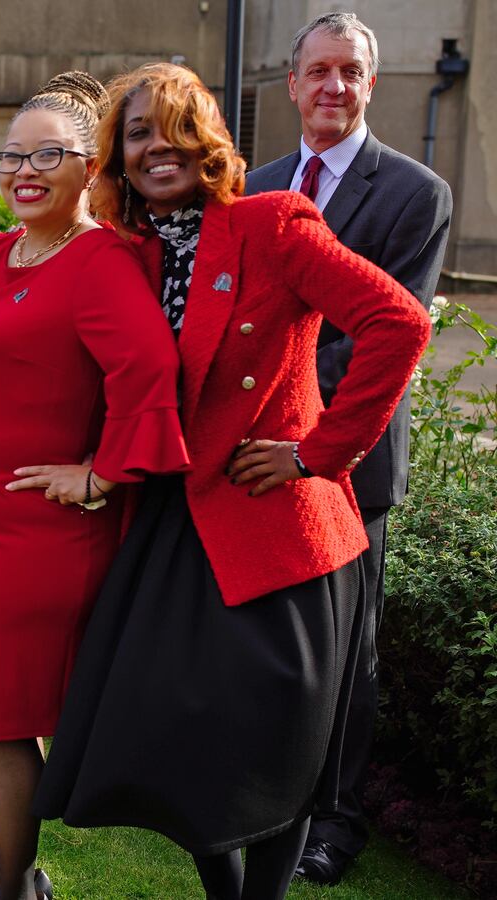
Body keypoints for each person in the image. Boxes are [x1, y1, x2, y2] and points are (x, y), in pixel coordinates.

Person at [32, 63, 431, 900]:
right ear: (119, 157)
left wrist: (319, 451)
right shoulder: (120, 252)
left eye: (176, 127)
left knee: (273, 750)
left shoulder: (272, 224)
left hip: (273, 528)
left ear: (207, 141)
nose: (157, 147)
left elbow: (397, 320)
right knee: (180, 746)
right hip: (171, 527)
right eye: (137, 133)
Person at [0, 72, 190, 898]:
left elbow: (149, 374)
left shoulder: (102, 262)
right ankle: (21, 883)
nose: (24, 170)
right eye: (13, 154)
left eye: (48, 154)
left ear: (91, 168)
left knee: (0, 719)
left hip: (33, 541)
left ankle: (11, 887)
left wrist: (100, 477)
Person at [243, 13, 452, 885]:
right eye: (318, 71)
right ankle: (256, 798)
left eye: (351, 72)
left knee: (345, 649)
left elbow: (377, 334)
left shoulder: (415, 193)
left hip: (351, 462)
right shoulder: (252, 187)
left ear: (373, 85)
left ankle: (335, 822)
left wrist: (291, 417)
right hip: (254, 459)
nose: (333, 86)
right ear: (291, 85)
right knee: (270, 643)